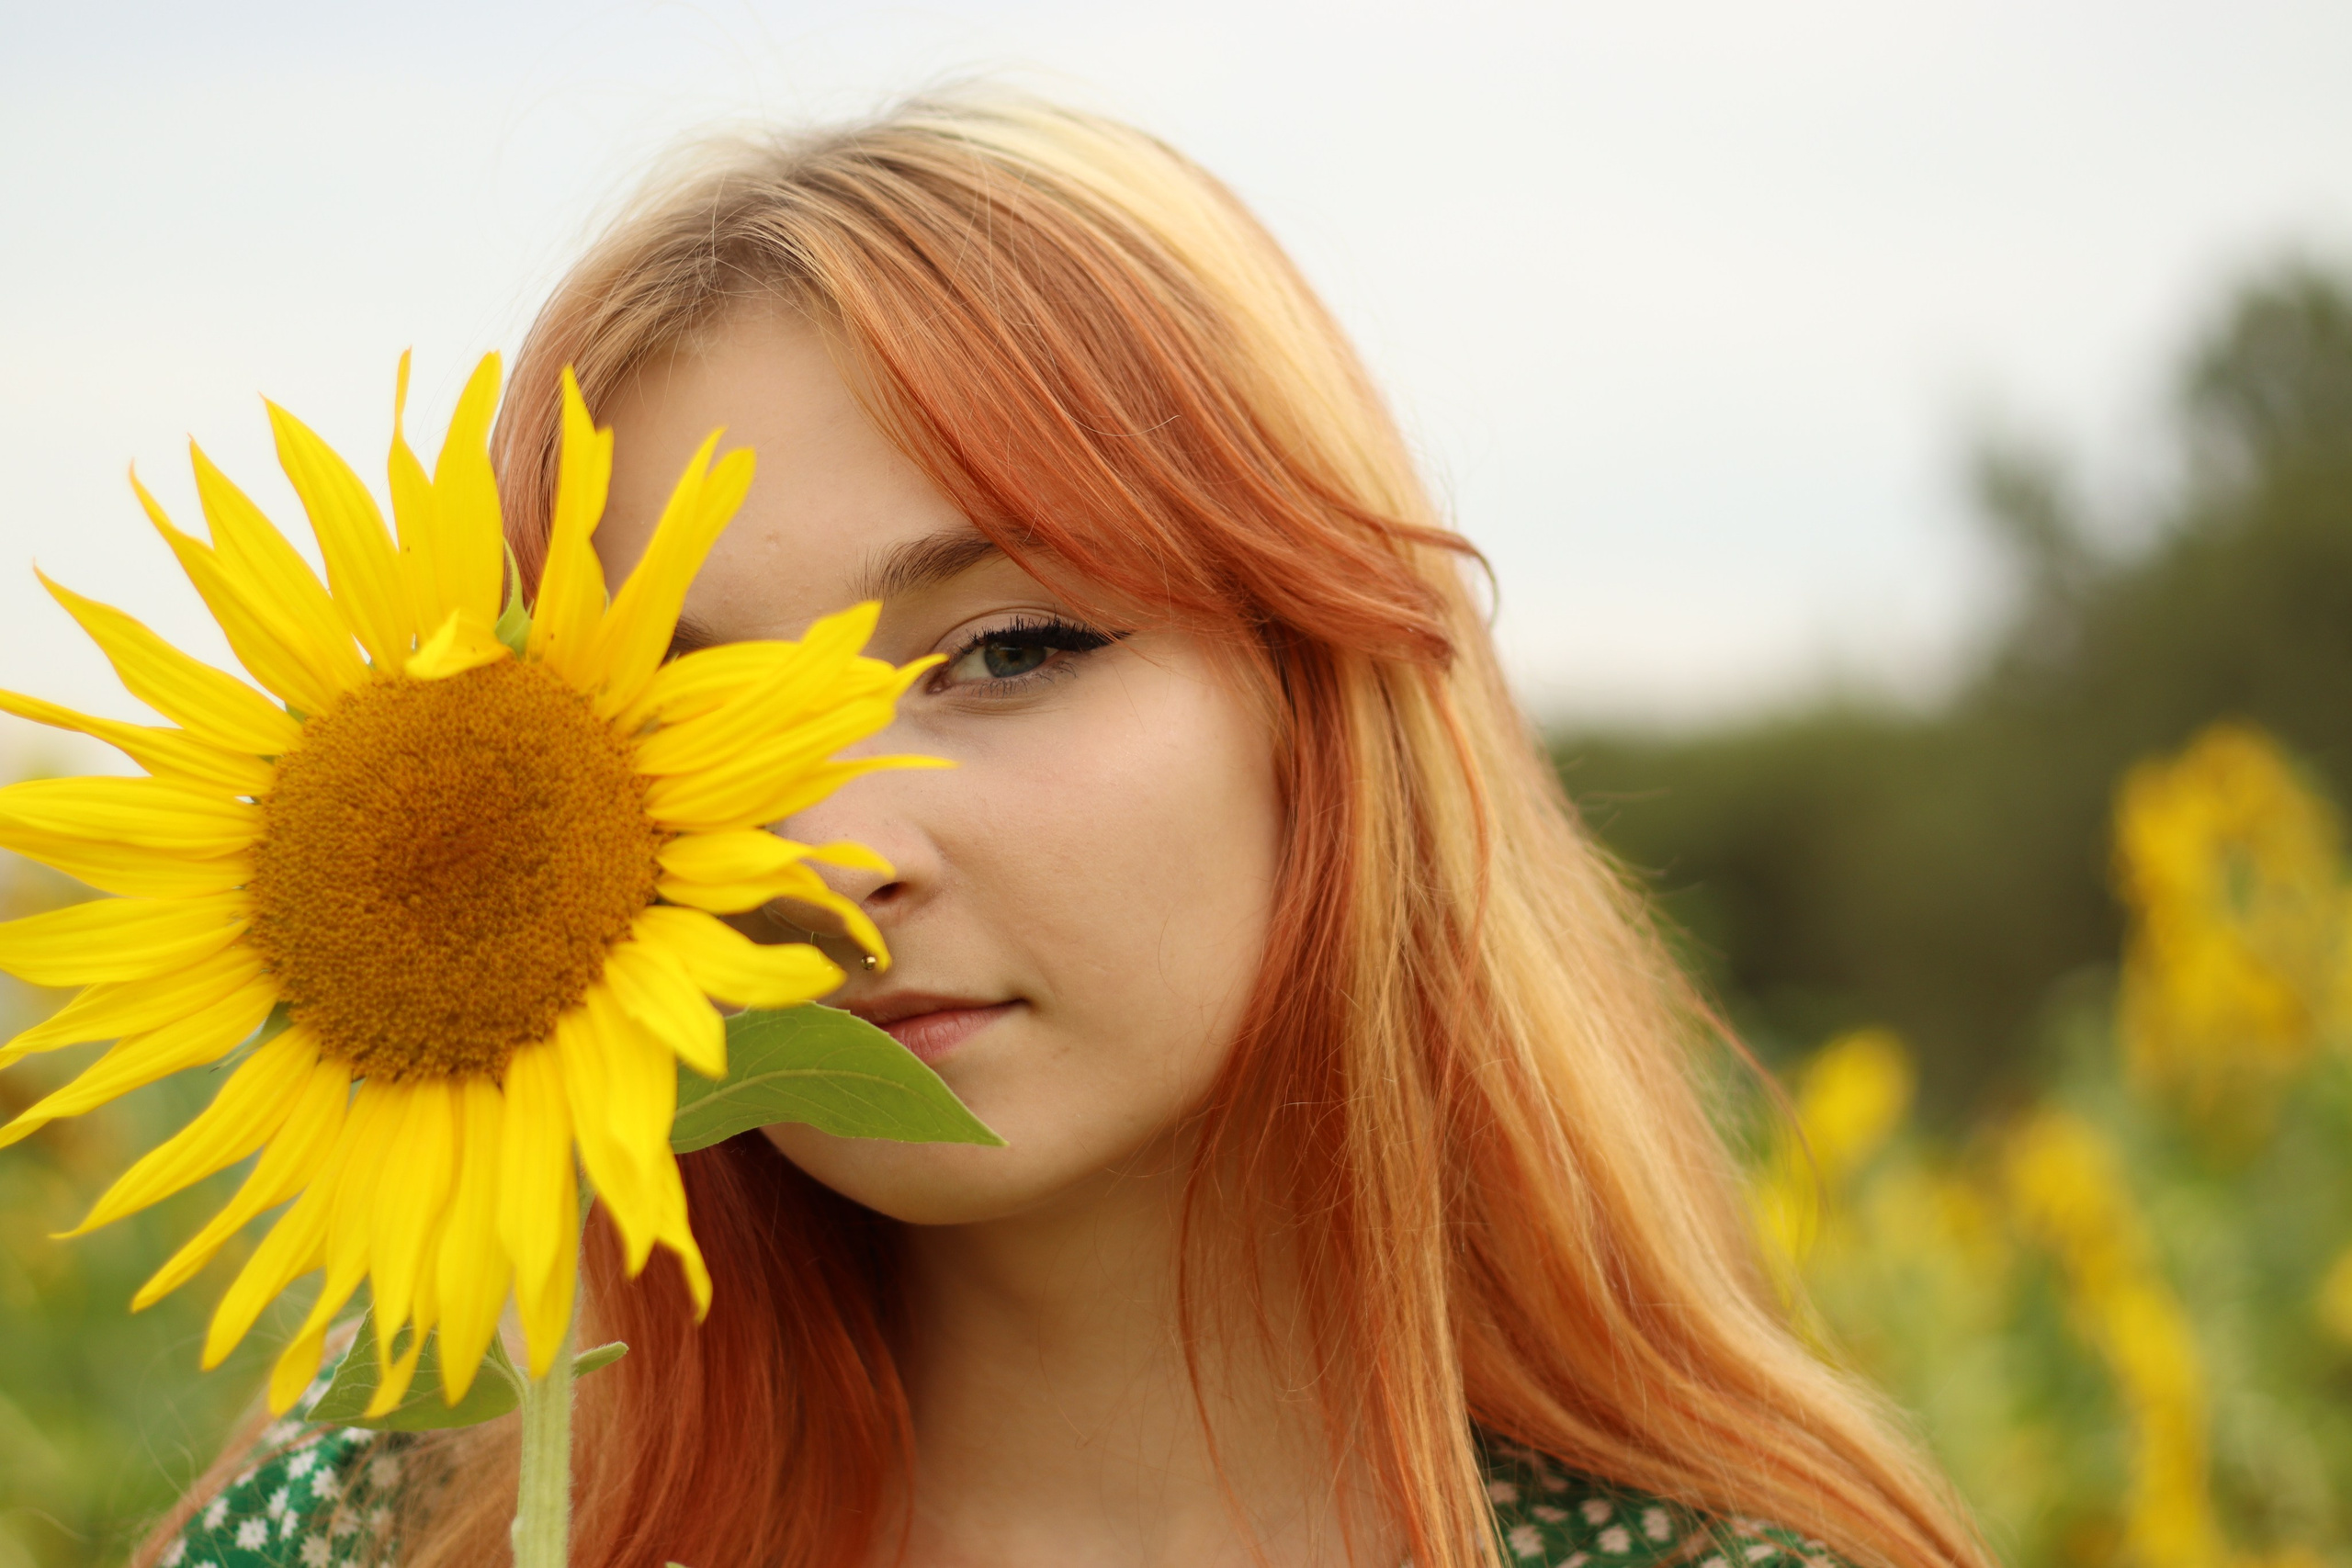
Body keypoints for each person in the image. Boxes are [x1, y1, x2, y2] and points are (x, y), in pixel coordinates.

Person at [144, 92, 1990, 1568]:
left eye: (1007, 646)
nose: (823, 853)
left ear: (1318, 685)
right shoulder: (408, 1517)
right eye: (674, 732)